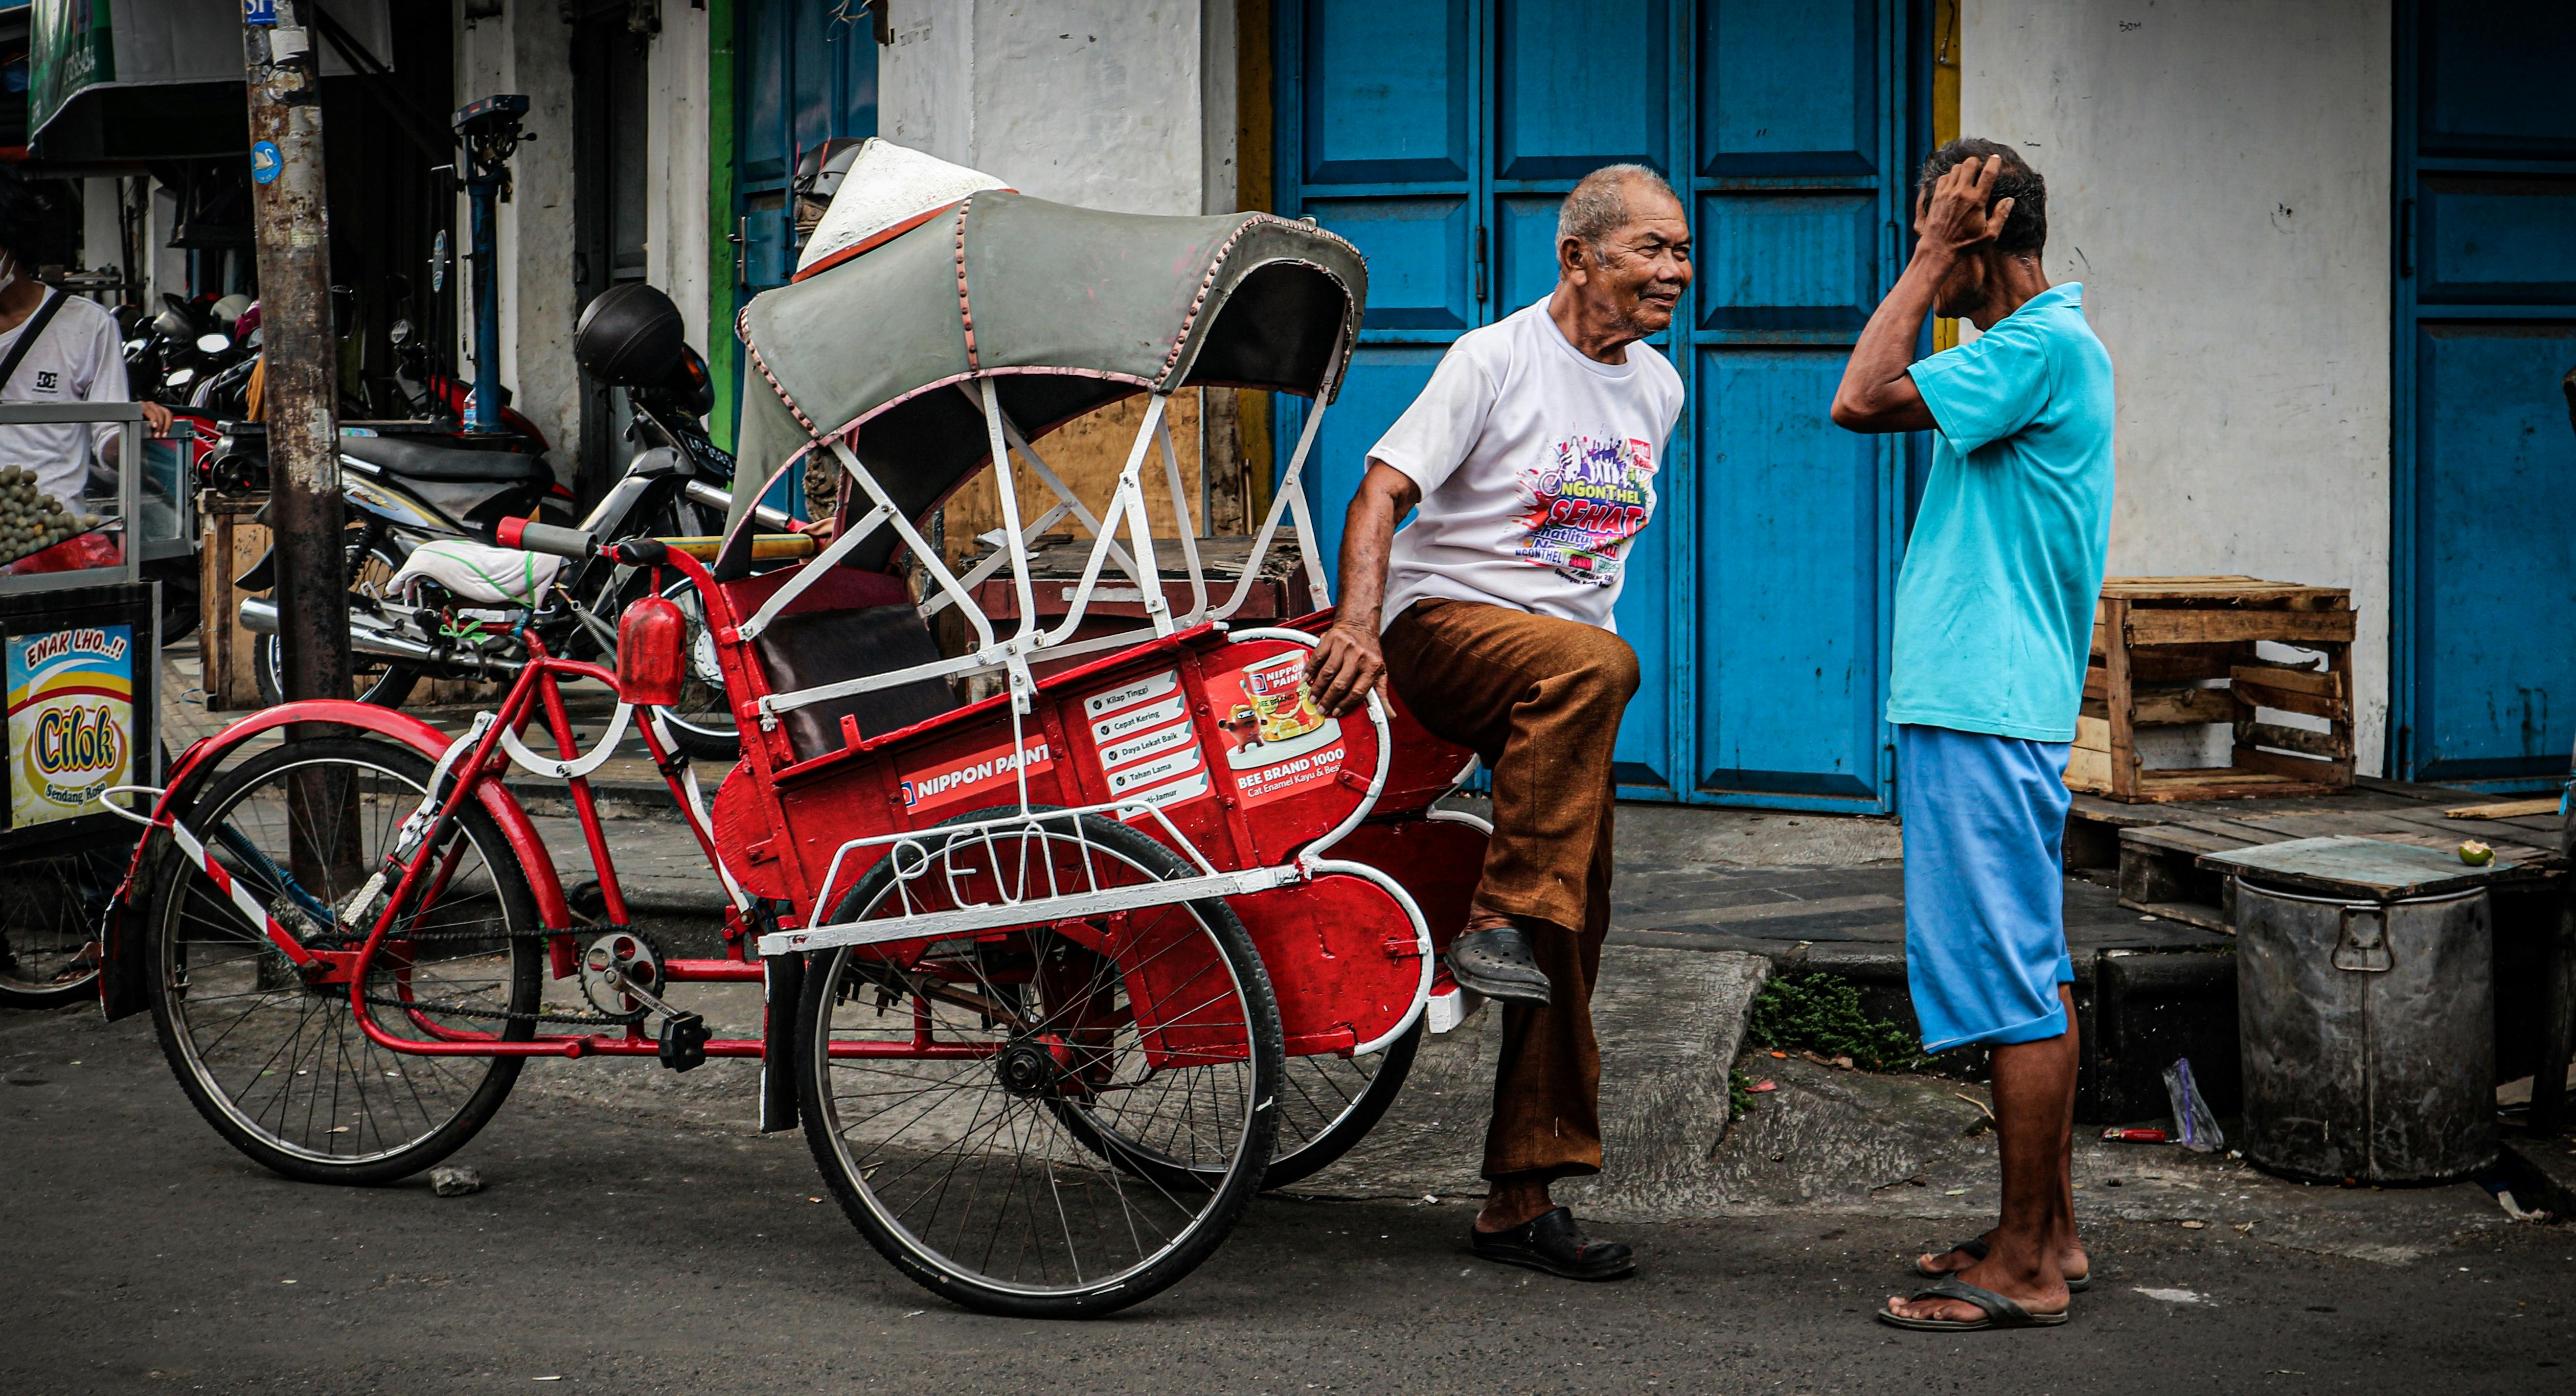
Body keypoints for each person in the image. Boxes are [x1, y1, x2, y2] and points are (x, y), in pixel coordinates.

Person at [1303, 163, 1688, 1281]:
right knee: (1596, 665)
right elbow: (1379, 488)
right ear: (1577, 258)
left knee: (1570, 928)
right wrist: (1361, 627)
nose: (1673, 270)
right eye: (1649, 249)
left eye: (1677, 250)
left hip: (1557, 685)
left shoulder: (1656, 388)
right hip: (1445, 634)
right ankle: (1498, 917)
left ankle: (1520, 1197)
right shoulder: (1494, 358)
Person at [1830, 140, 2115, 1331]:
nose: (1923, 256)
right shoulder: (2030, 351)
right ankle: (2045, 1231)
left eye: (1938, 229)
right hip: (1994, 702)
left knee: (2007, 977)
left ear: (1978, 231)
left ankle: (2023, 1267)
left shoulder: (2034, 344)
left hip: (1983, 703)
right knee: (2028, 964)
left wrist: (1922, 258)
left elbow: (1856, 396)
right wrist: (1934, 250)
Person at [0, 167, 172, 512]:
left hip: (50, 533)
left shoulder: (86, 324)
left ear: (13, 241)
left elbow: (107, 438)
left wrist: (133, 428)